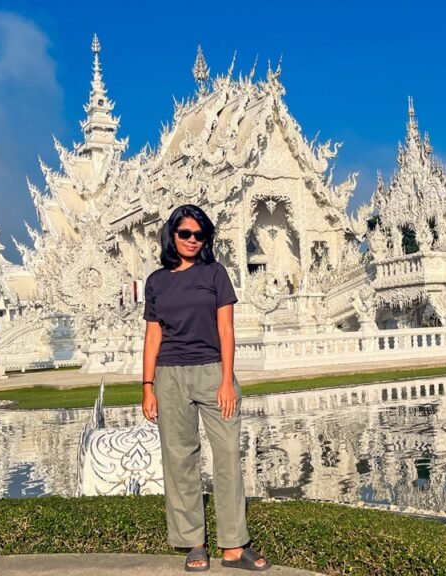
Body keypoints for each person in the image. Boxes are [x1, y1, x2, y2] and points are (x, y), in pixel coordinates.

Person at [141, 204, 269, 573]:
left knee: (227, 454)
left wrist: (228, 380)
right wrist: (147, 387)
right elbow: (153, 336)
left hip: (213, 371)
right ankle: (193, 543)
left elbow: (226, 330)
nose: (193, 240)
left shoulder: (215, 274)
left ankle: (233, 546)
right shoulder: (156, 282)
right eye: (185, 234)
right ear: (172, 235)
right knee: (180, 459)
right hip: (169, 375)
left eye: (200, 235)